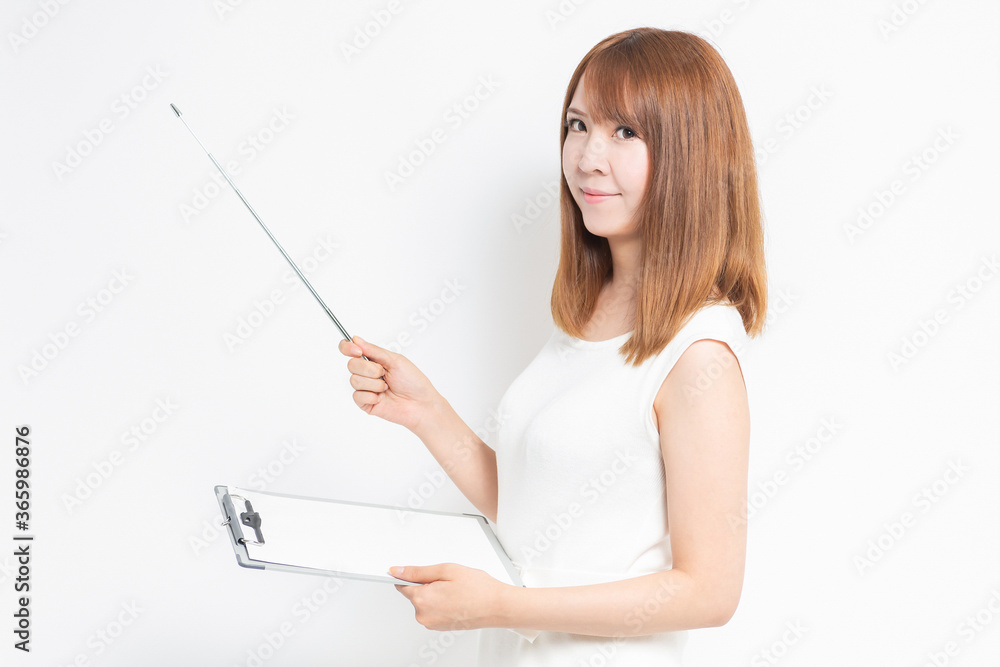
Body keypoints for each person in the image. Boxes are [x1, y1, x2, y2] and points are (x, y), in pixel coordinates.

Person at [339, 26, 767, 666]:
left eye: (626, 132)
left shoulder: (699, 354)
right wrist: (426, 413)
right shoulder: (592, 311)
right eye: (578, 125)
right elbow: (536, 507)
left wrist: (504, 606)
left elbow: (709, 591)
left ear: (694, 156)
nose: (588, 157)